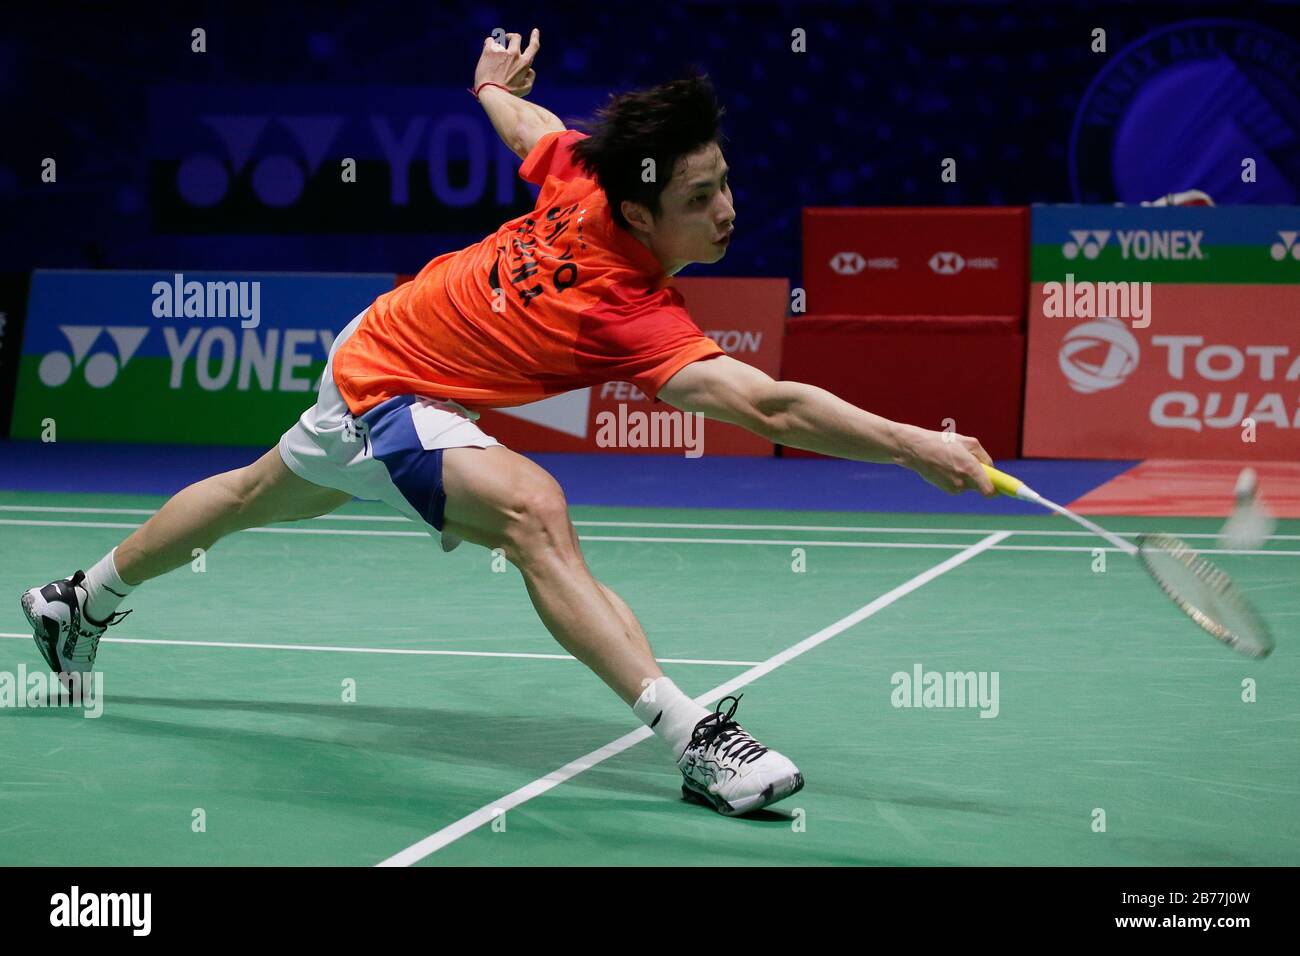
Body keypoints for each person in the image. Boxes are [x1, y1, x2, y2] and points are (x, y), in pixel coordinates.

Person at [21, 29, 996, 817]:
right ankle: (694, 739)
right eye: (699, 200)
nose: (727, 211)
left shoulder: (587, 173)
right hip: (394, 385)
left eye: (726, 183)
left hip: (387, 345)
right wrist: (917, 444)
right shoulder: (627, 305)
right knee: (533, 510)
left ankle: (78, 597)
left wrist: (489, 86)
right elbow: (771, 404)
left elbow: (532, 128)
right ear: (640, 207)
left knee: (252, 495)